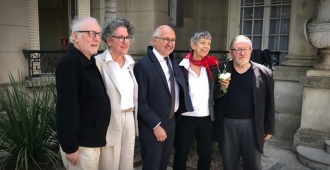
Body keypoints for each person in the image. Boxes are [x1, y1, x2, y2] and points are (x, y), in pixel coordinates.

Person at [133, 25, 194, 170]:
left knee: (163, 164)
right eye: (166, 39)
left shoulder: (173, 62)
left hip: (171, 122)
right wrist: (155, 125)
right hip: (153, 126)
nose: (171, 43)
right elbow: (140, 100)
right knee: (152, 165)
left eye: (173, 40)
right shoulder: (143, 65)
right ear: (154, 40)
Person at [56, 16, 111, 170]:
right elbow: (66, 107)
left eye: (99, 34)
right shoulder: (71, 63)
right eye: (91, 34)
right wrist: (70, 146)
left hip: (91, 142)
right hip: (80, 145)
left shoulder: (88, 60)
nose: (97, 39)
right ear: (75, 36)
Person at [214, 35, 275, 170]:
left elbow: (270, 102)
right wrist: (222, 88)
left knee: (253, 164)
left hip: (252, 126)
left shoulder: (264, 73)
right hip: (227, 125)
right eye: (238, 49)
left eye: (246, 49)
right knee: (229, 164)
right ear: (231, 52)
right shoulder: (220, 68)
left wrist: (269, 127)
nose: (243, 53)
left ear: (251, 50)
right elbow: (212, 95)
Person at [173, 30, 227, 170]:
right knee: (181, 154)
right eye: (202, 42)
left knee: (205, 154)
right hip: (185, 117)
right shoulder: (180, 66)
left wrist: (223, 88)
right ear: (193, 44)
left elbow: (213, 95)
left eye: (208, 43)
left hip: (206, 118)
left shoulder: (212, 67)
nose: (206, 46)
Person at [94, 17, 138, 170]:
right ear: (109, 40)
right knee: (109, 161)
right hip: (110, 118)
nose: (125, 41)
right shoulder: (98, 63)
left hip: (129, 117)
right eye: (120, 37)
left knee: (127, 160)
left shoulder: (130, 62)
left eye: (127, 37)